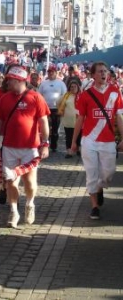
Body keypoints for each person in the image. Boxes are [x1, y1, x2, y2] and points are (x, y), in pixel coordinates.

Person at [0, 65, 50, 228]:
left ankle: (30, 203)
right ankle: (14, 210)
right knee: (11, 181)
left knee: (30, 182)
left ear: (19, 80)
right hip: (9, 147)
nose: (7, 83)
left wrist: (45, 144)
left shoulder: (36, 97)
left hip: (30, 148)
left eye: (10, 80)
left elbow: (43, 122)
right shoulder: (4, 99)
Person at [71, 61, 123, 220]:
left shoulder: (115, 93)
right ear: (93, 75)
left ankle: (100, 188)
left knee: (108, 173)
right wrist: (74, 141)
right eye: (100, 71)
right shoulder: (85, 95)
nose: (103, 74)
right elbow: (80, 119)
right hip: (89, 140)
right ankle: (94, 206)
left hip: (108, 140)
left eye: (105, 71)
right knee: (91, 173)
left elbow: (119, 117)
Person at [38, 65, 67, 152]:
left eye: (52, 72)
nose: (51, 73)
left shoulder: (61, 83)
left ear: (56, 73)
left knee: (55, 128)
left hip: (56, 109)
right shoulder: (43, 83)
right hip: (45, 109)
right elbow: (39, 95)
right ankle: (45, 143)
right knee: (44, 127)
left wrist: (62, 108)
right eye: (49, 72)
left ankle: (53, 146)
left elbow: (64, 96)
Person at [57, 80, 81, 158]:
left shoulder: (82, 96)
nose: (73, 88)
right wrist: (61, 110)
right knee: (69, 136)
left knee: (79, 136)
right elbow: (58, 102)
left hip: (79, 121)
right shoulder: (66, 95)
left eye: (74, 86)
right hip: (68, 121)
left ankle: (78, 149)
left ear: (78, 87)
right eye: (71, 87)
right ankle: (69, 151)